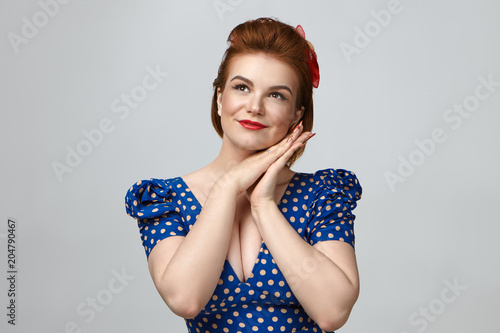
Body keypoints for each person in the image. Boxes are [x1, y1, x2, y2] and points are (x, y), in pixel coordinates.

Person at [125, 17, 362, 333]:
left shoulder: (323, 195)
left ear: (297, 115)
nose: (255, 106)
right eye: (242, 87)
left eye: (276, 95)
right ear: (220, 98)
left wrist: (263, 205)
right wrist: (227, 187)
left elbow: (332, 311)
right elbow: (185, 299)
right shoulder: (165, 199)